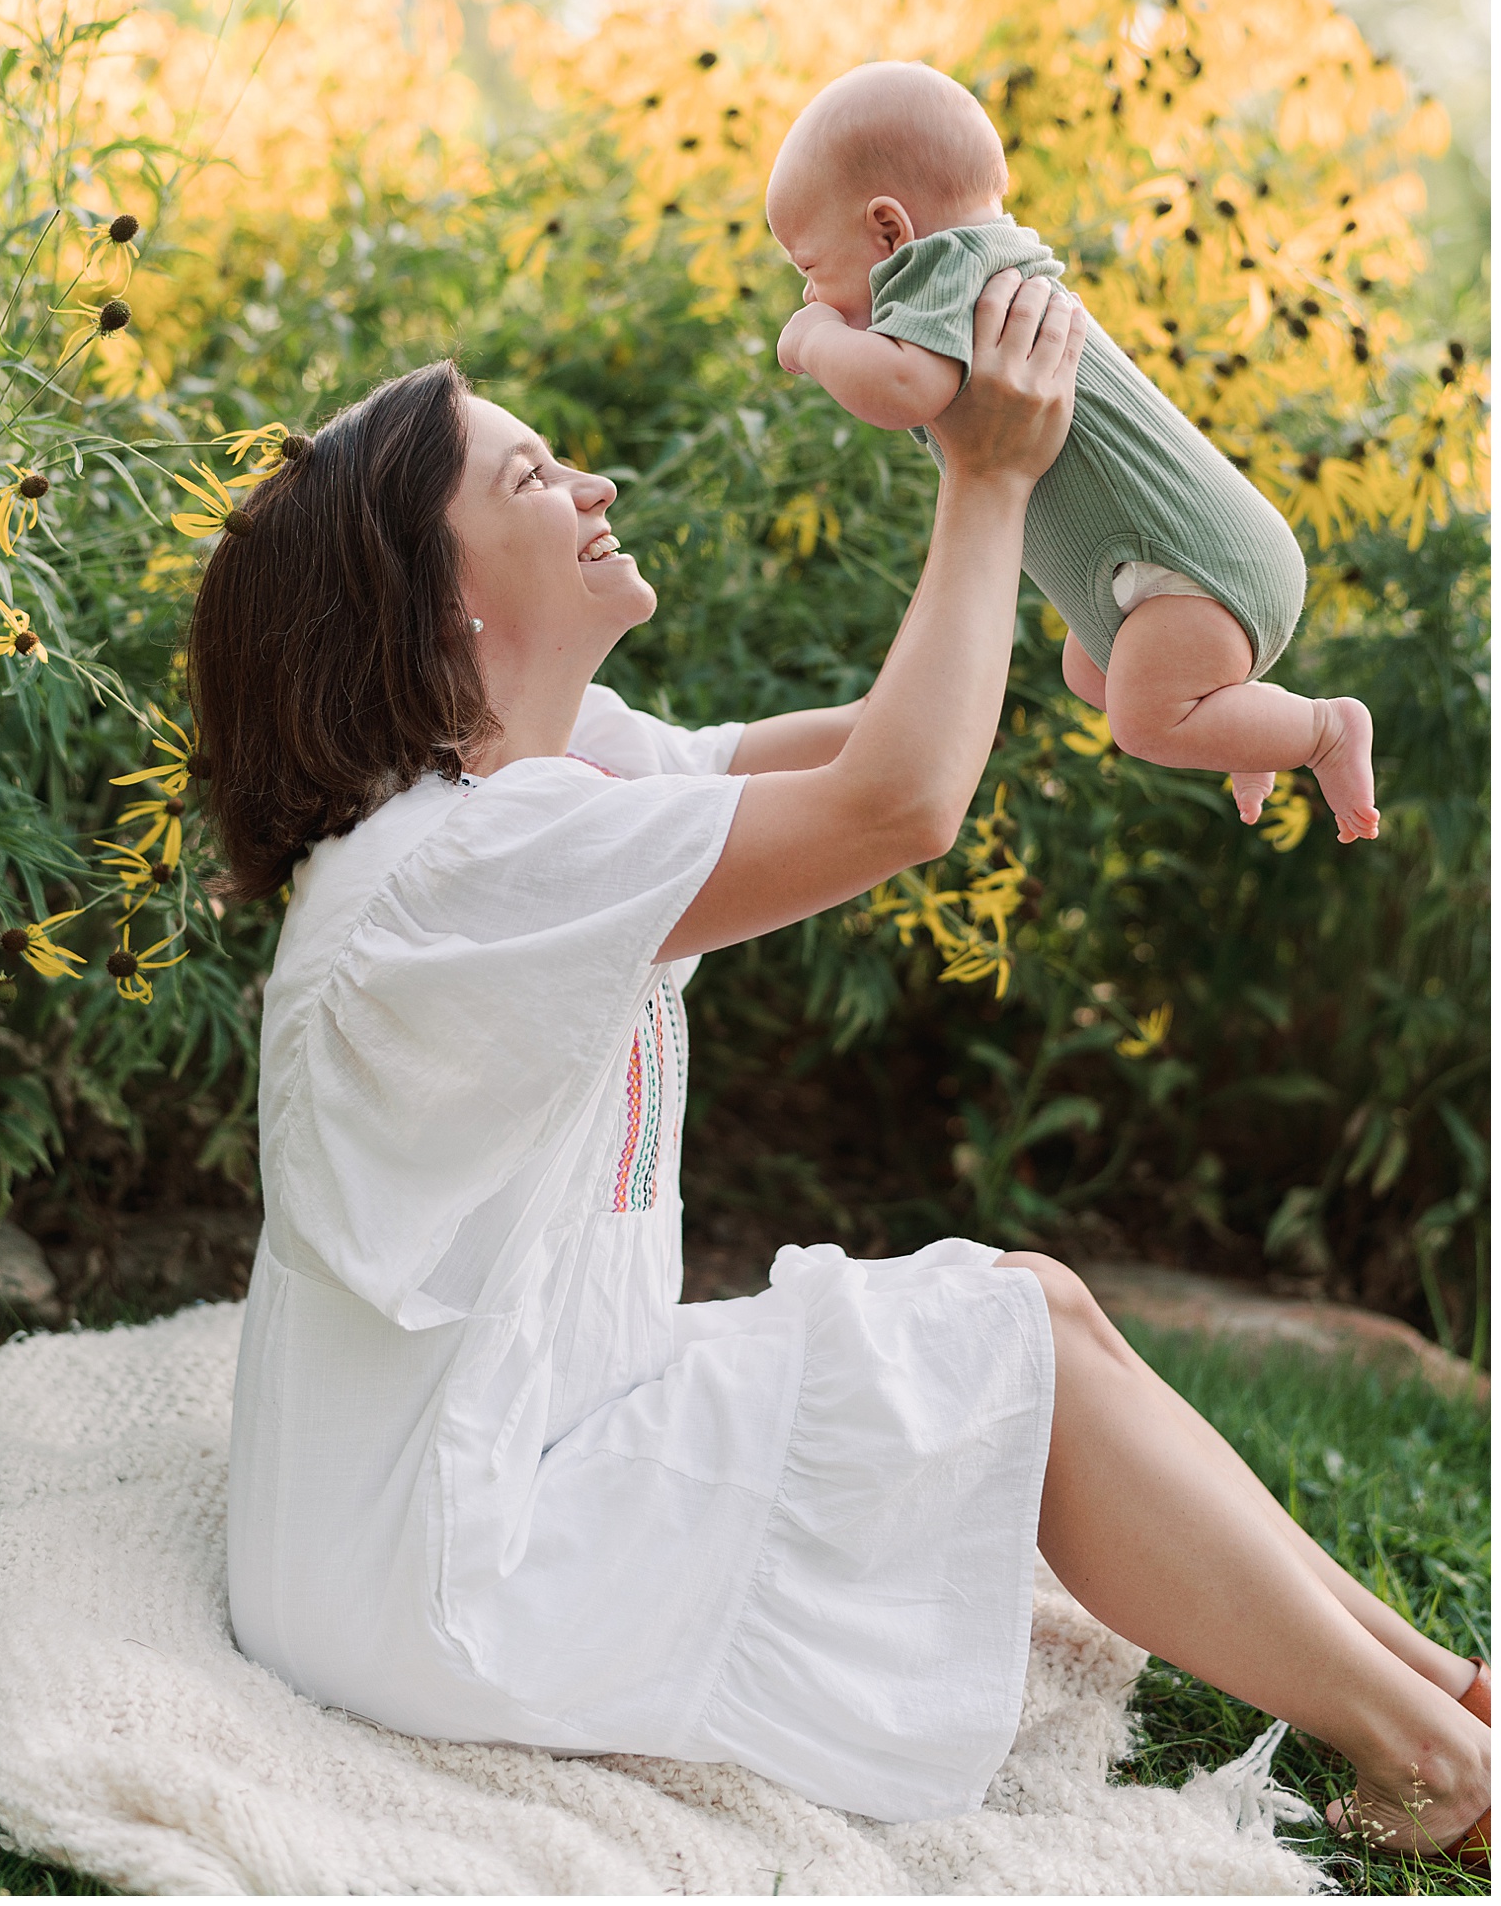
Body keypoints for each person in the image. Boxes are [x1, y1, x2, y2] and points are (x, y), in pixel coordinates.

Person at [191, 285, 1485, 1862]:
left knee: (1041, 1305)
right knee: (1020, 1349)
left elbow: (902, 735)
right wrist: (986, 478)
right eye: (533, 480)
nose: (594, 487)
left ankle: (1445, 1692)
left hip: (499, 1452)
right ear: (435, 598)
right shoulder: (464, 862)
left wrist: (1121, 616)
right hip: (444, 1567)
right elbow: (899, 802)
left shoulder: (559, 764)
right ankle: (1432, 1759)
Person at [769, 60, 1378, 844]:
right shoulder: (985, 264)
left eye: (812, 270)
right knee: (1091, 672)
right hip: (1193, 565)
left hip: (1191, 565)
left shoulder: (940, 266)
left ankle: (1324, 730)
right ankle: (1248, 727)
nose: (813, 297)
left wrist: (817, 341)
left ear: (889, 229)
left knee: (1146, 721)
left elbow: (899, 389)